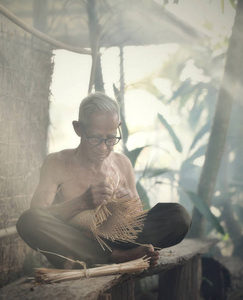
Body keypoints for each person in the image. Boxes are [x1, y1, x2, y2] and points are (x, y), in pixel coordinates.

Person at [17, 92, 191, 269]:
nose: (103, 147)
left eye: (110, 138)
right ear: (78, 129)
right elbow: (39, 213)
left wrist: (128, 203)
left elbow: (138, 216)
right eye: (95, 138)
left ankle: (108, 254)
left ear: (118, 127)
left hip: (118, 240)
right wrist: (82, 202)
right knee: (29, 220)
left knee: (179, 216)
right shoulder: (57, 162)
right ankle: (115, 257)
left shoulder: (122, 163)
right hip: (75, 242)